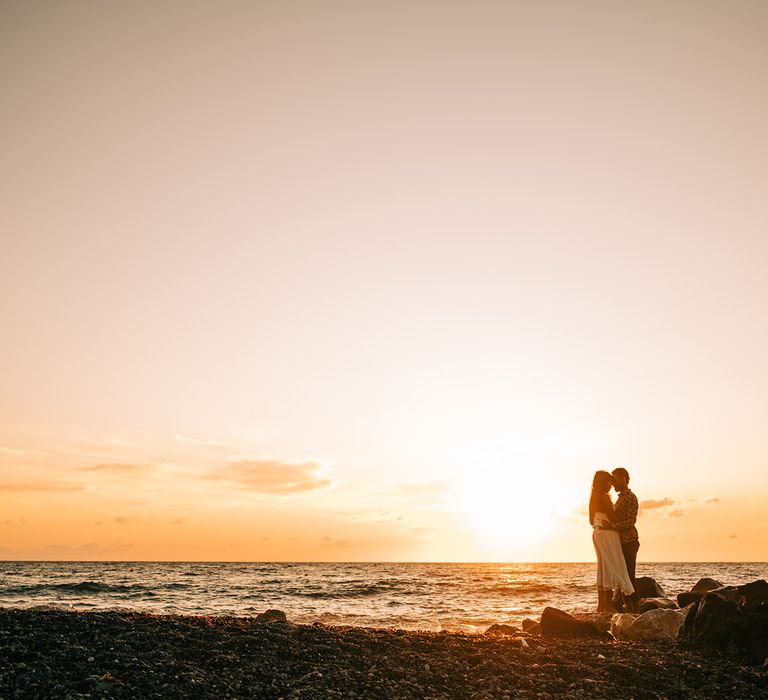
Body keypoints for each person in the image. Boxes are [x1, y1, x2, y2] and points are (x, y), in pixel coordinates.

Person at [589, 470, 635, 612]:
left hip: (597, 533)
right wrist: (612, 520)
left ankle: (601, 606)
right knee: (609, 569)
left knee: (602, 568)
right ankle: (608, 606)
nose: (611, 484)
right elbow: (614, 518)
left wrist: (600, 521)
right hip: (608, 534)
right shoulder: (604, 498)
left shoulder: (593, 498)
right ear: (604, 483)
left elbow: (591, 520)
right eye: (610, 481)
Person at [611, 467, 640, 613]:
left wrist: (612, 526)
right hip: (621, 542)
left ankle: (634, 609)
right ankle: (628, 607)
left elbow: (630, 521)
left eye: (614, 479)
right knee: (623, 576)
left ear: (623, 478)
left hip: (629, 541)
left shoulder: (630, 497)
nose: (612, 483)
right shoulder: (621, 497)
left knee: (628, 576)